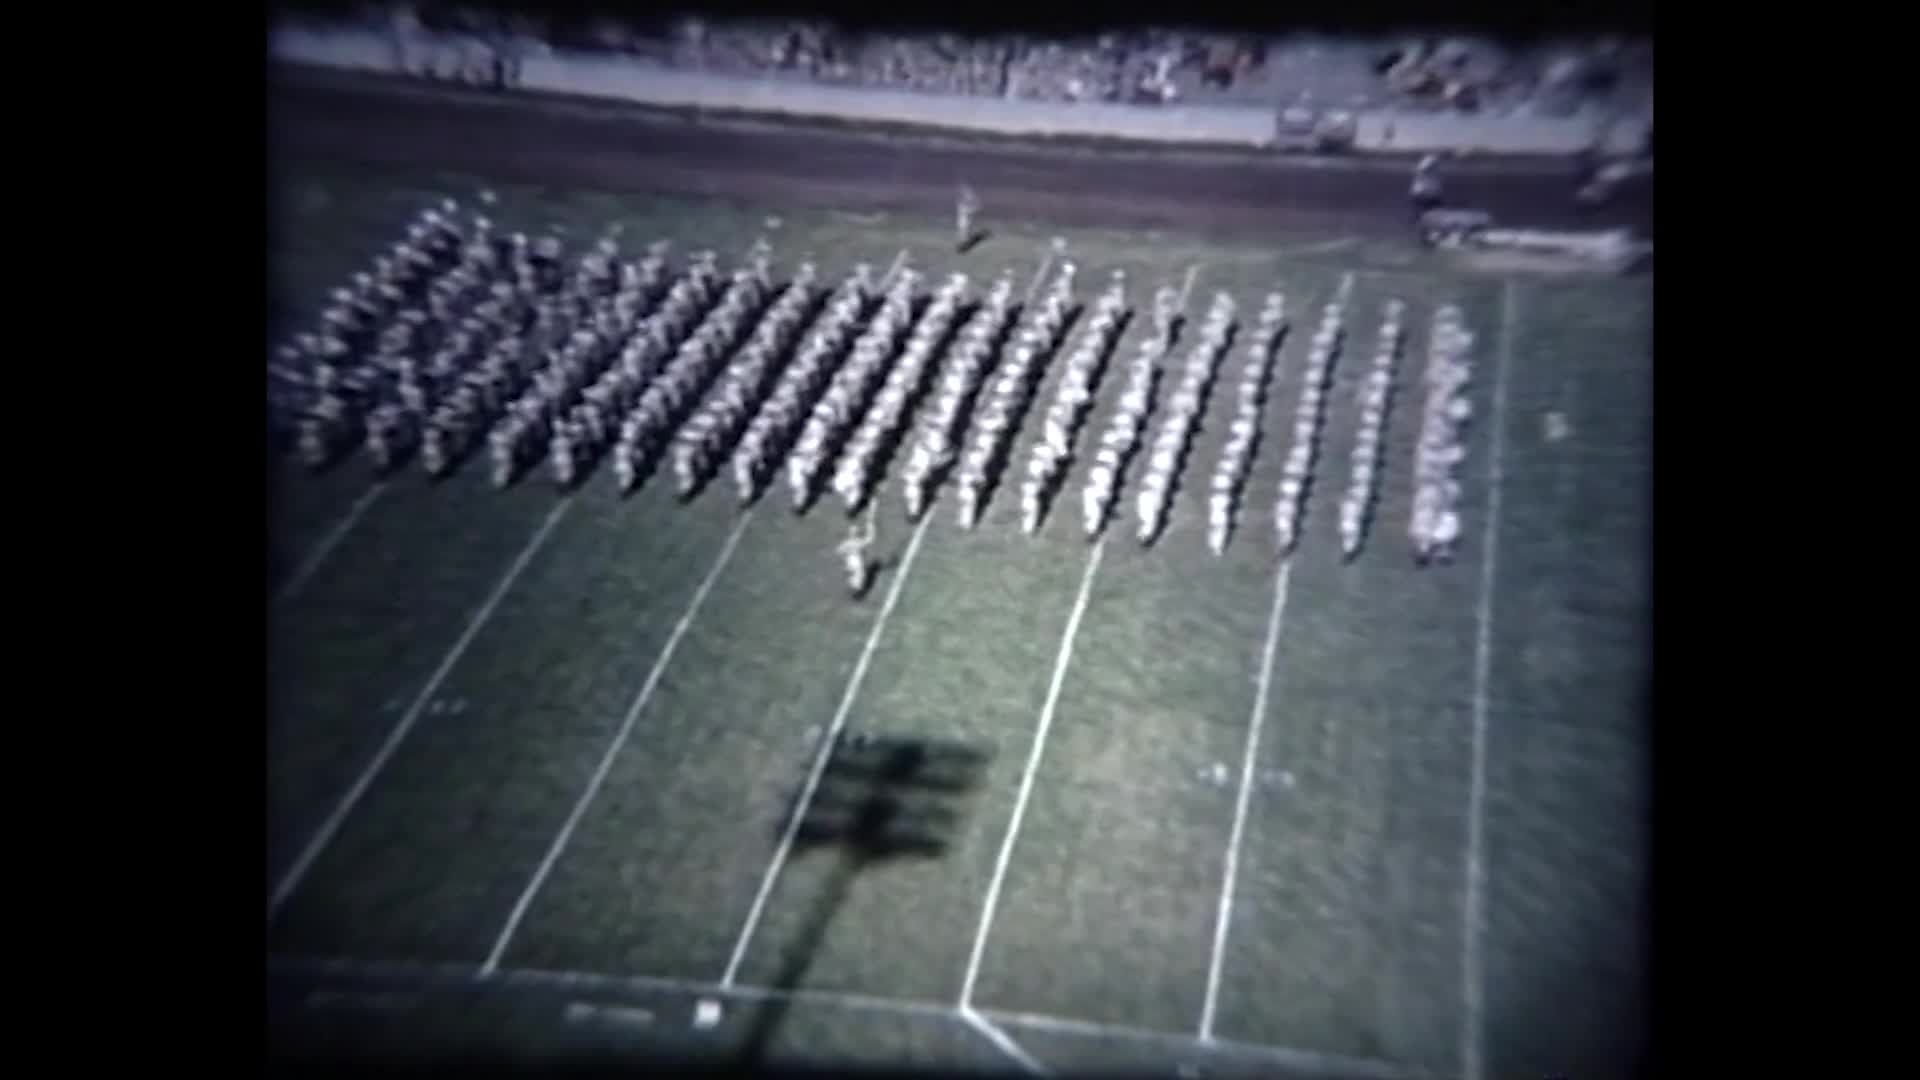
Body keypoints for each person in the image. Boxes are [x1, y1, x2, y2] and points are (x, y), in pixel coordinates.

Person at [838, 506, 879, 598]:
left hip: (850, 564)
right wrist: (870, 524)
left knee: (855, 579)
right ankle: (858, 592)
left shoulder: (847, 543)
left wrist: (846, 555)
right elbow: (871, 538)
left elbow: (839, 550)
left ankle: (856, 590)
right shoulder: (858, 543)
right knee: (860, 578)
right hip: (857, 564)